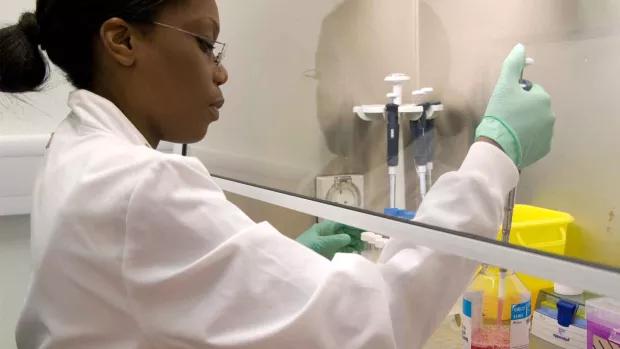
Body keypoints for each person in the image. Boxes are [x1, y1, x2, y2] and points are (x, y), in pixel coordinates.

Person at [0, 0, 555, 348]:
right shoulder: (136, 185)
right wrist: (494, 155)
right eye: (203, 42)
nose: (221, 70)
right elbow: (375, 321)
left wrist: (281, 268)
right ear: (122, 40)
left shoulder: (75, 148)